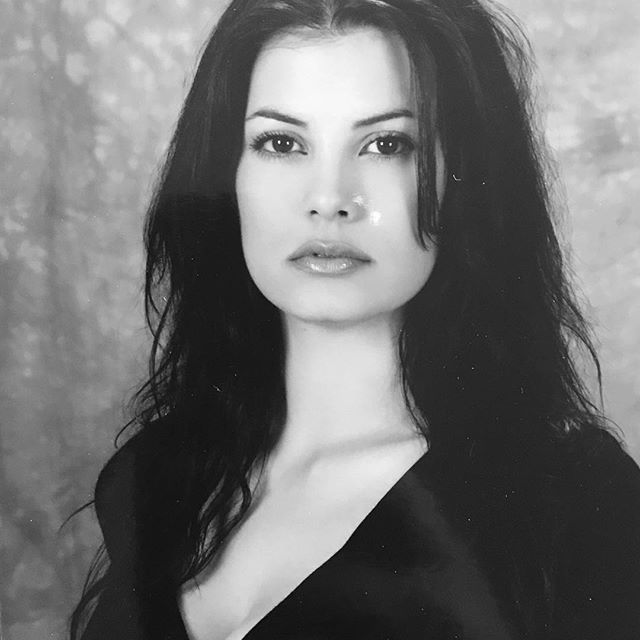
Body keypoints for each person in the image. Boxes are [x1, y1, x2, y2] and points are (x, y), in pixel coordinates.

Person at [70, 0, 640, 638]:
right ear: (226, 176)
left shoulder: (573, 507)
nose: (329, 199)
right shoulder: (155, 478)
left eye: (387, 144)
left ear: (465, 178)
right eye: (281, 143)